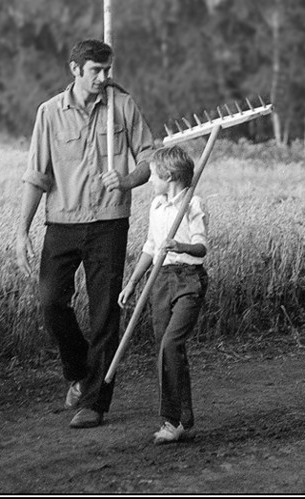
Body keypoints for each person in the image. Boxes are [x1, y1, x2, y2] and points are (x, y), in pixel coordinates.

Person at [15, 39, 155, 429]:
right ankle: (79, 371)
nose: (104, 77)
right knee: (50, 301)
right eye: (95, 70)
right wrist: (21, 231)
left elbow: (149, 157)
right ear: (74, 69)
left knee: (104, 312)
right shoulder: (49, 113)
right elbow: (36, 176)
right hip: (61, 222)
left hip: (110, 221)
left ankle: (94, 401)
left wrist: (126, 180)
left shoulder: (122, 106)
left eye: (107, 69)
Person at [119, 145, 209, 445]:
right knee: (163, 350)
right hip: (161, 279)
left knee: (172, 344)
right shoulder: (157, 206)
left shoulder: (193, 204)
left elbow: (201, 248)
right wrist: (132, 282)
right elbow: (150, 246)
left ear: (169, 176)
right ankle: (175, 421)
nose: (151, 182)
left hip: (189, 280)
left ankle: (177, 421)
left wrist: (180, 246)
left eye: (154, 176)